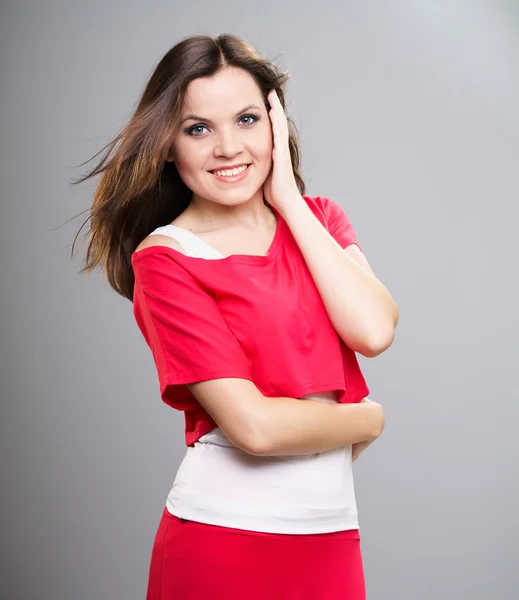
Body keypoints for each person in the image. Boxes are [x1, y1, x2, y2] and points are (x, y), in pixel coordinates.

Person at [73, 33, 398, 600]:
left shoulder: (318, 219)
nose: (228, 147)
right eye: (198, 128)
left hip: (331, 538)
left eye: (247, 119)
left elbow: (372, 330)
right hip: (223, 542)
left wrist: (289, 202)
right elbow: (255, 428)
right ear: (169, 146)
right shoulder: (166, 259)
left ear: (274, 123)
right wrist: (369, 421)